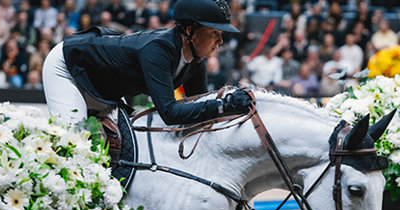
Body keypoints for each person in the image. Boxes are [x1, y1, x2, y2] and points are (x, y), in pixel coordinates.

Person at [42, 0, 252, 126]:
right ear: (190, 31)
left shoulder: (195, 62)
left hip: (100, 84)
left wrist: (228, 107)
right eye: (214, 33)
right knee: (74, 139)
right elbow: (169, 114)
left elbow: (198, 108)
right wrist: (223, 105)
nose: (220, 41)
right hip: (67, 65)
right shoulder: (158, 50)